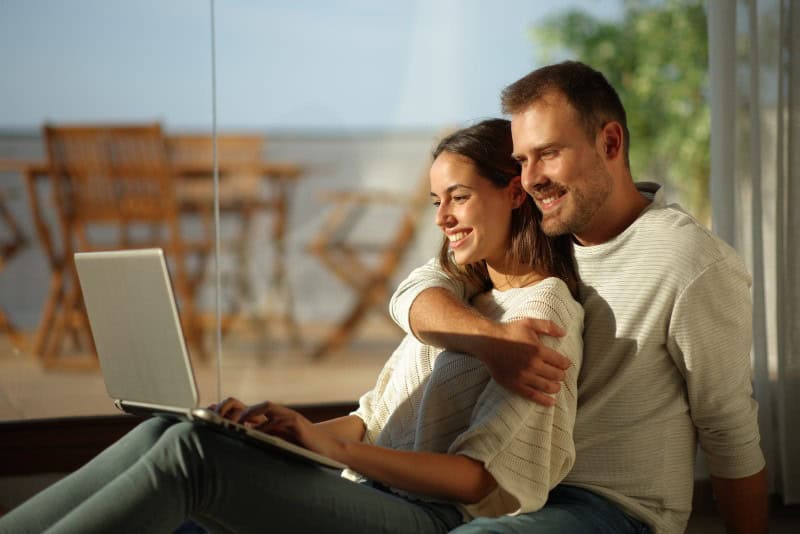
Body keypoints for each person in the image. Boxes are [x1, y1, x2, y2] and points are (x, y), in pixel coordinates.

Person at [0, 119, 585, 534]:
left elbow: (476, 479)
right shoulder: (464, 295)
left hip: (425, 516)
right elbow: (374, 418)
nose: (442, 218)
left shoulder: (544, 314)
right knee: (177, 432)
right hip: (371, 489)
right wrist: (297, 430)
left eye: (457, 197)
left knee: (191, 457)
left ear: (513, 194)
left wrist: (331, 450)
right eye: (435, 200)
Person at [388, 61, 768, 534]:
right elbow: (414, 294)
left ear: (610, 143)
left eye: (547, 153)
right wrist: (492, 341)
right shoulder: (536, 232)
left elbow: (727, 428)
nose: (530, 179)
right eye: (523, 160)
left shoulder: (689, 261)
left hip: (608, 507)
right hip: (504, 493)